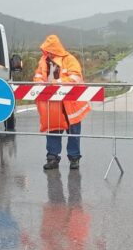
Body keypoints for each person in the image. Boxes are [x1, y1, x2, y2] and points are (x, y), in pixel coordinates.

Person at [33, 35, 91, 170]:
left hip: (70, 105)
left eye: (50, 51)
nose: (48, 54)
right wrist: (40, 83)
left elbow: (75, 77)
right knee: (53, 130)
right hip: (52, 105)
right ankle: (52, 158)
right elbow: (38, 76)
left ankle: (74, 159)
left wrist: (56, 83)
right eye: (46, 51)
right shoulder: (43, 61)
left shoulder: (69, 60)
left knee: (73, 133)